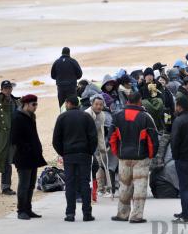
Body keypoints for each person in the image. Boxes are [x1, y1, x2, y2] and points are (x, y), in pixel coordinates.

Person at [109, 92, 158, 223]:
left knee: (124, 186)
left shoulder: (117, 116)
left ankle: (122, 214)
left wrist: (117, 153)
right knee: (140, 186)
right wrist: (151, 155)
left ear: (128, 101)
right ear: (139, 101)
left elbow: (112, 138)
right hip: (141, 158)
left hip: (123, 157)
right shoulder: (146, 117)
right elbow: (153, 139)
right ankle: (136, 216)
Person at [52, 96, 98, 222]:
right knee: (84, 183)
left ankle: (70, 213)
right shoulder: (86, 117)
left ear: (67, 103)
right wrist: (89, 152)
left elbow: (56, 140)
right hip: (84, 154)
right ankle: (87, 213)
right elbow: (93, 138)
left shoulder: (62, 117)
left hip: (69, 155)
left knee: (70, 184)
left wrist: (63, 153)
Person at [11, 94, 47, 220]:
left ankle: (28, 209)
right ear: (25, 104)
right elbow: (14, 138)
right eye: (33, 104)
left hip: (33, 156)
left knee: (31, 184)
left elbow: (33, 135)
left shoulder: (31, 116)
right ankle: (21, 210)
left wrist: (38, 148)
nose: (35, 107)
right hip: (23, 157)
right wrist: (26, 148)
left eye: (36, 104)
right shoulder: (17, 117)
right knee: (24, 184)